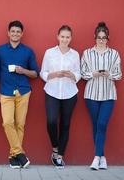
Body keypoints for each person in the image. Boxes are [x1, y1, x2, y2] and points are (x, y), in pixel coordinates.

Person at [0, 20, 39, 169]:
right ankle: (20, 153)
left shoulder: (28, 51)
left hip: (23, 91)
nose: (15, 34)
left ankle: (13, 156)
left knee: (20, 125)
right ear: (8, 33)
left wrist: (22, 70)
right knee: (7, 122)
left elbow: (35, 73)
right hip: (5, 92)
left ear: (22, 34)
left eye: (18, 32)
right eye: (13, 31)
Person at [81, 22, 122, 170]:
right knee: (96, 125)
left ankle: (96, 157)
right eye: (99, 37)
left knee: (102, 124)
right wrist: (94, 74)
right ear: (94, 37)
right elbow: (83, 73)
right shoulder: (87, 53)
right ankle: (102, 157)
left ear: (108, 38)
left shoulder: (114, 54)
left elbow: (119, 74)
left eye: (104, 37)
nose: (101, 40)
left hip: (108, 94)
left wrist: (108, 74)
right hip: (91, 94)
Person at [40, 25, 81, 168]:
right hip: (52, 91)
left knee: (65, 124)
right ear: (57, 37)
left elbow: (78, 73)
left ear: (71, 38)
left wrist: (72, 75)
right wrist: (52, 75)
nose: (65, 39)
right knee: (51, 121)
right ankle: (55, 147)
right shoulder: (49, 53)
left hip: (70, 93)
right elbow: (43, 72)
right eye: (62, 36)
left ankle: (59, 157)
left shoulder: (75, 54)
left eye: (67, 37)